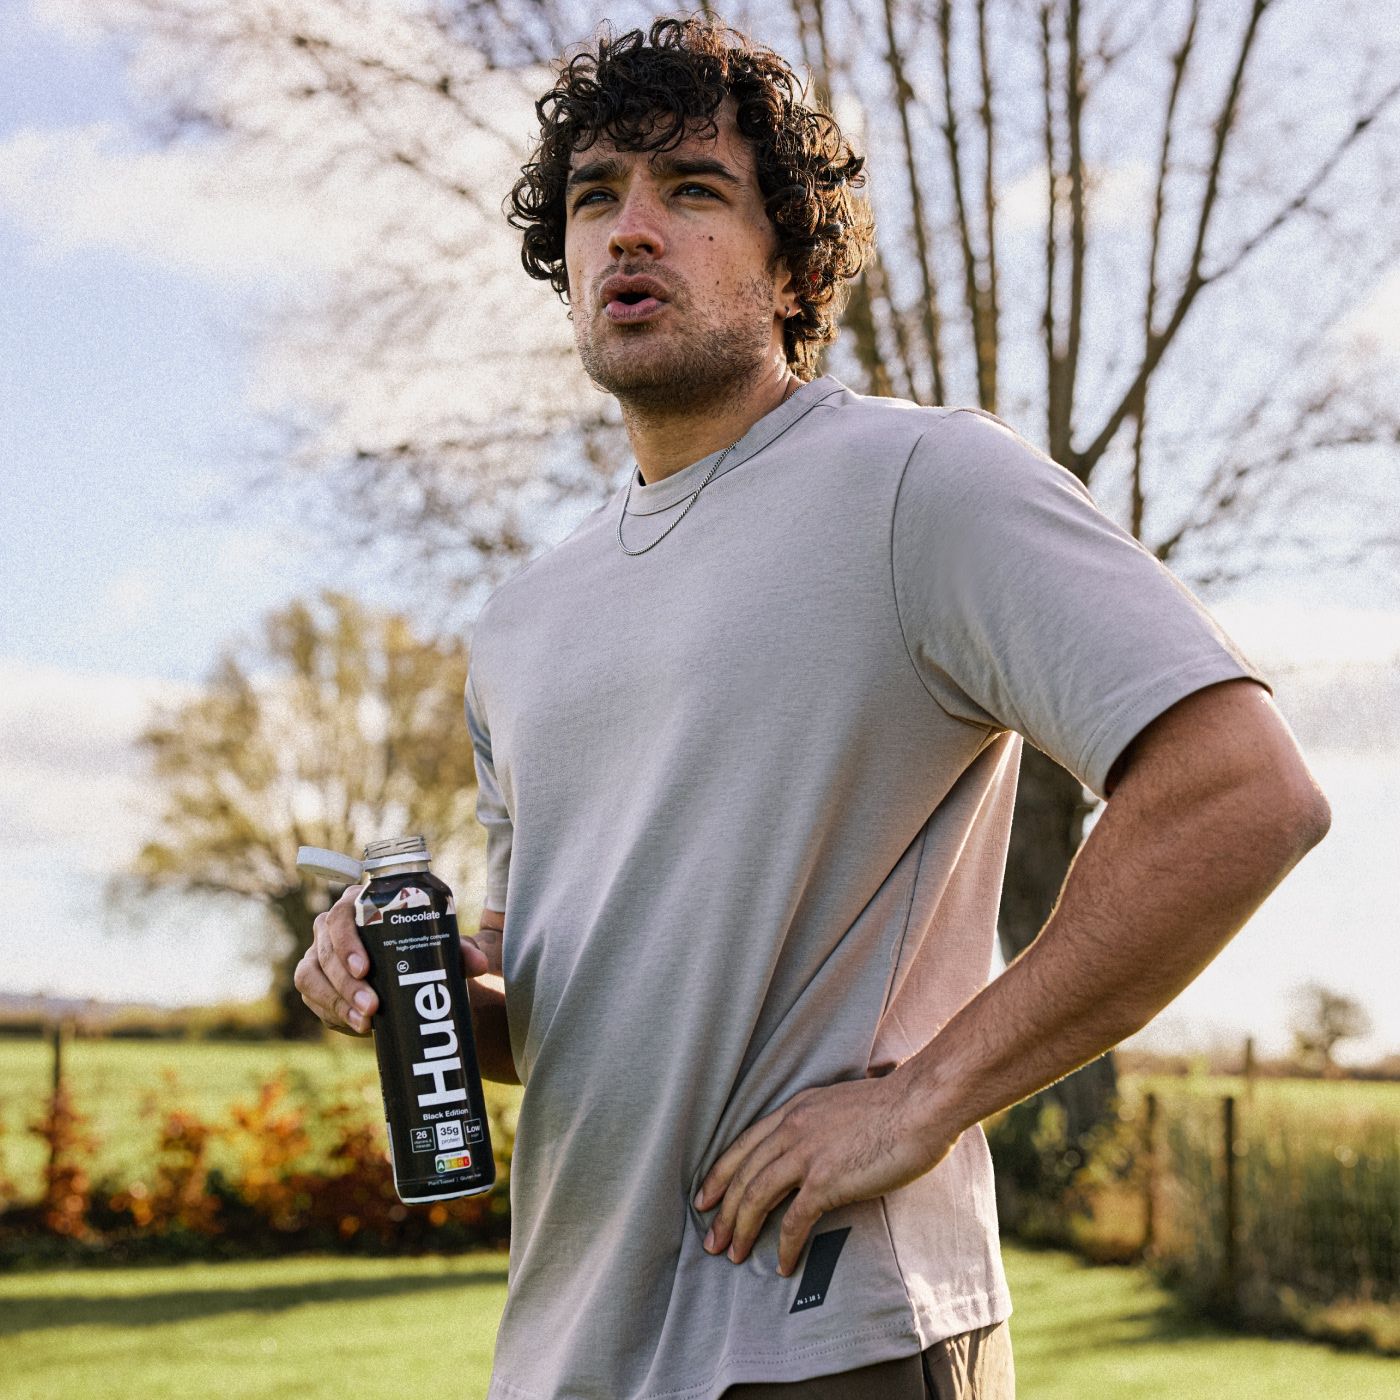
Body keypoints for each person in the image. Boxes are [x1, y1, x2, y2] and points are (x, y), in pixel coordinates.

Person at [294, 14, 1331, 1399]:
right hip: (567, 1348)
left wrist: (925, 1097)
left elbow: (1243, 796)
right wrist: (402, 980)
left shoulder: (922, 486)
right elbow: (570, 1012)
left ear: (794, 266)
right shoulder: (523, 617)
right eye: (598, 195)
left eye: (694, 190)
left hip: (826, 1330)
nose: (632, 229)